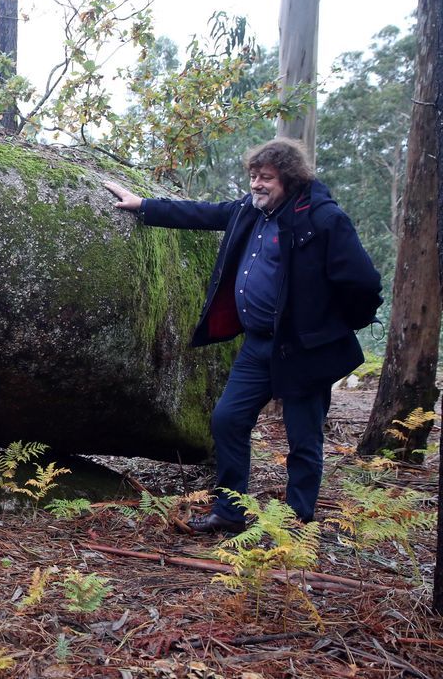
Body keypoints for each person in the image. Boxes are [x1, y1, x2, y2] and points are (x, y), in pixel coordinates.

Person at [103, 138, 382, 534]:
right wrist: (143, 205)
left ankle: (297, 526)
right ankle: (229, 512)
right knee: (228, 420)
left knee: (303, 439)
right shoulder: (250, 212)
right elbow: (203, 213)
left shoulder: (322, 218)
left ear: (289, 178)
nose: (256, 184)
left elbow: (364, 282)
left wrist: (330, 326)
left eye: (266, 178)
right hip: (258, 345)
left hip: (303, 349)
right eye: (253, 176)